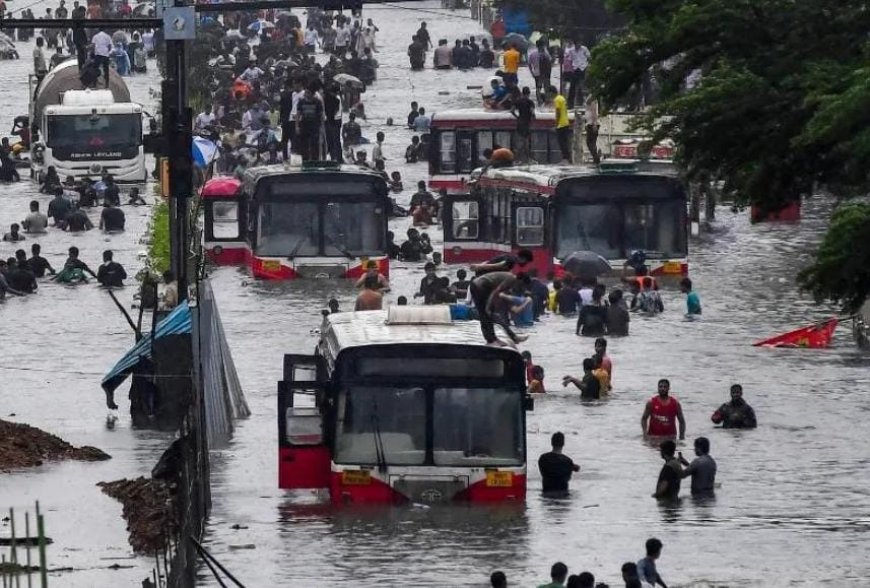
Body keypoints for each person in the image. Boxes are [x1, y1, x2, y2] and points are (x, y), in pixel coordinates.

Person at [469, 271, 528, 345]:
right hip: (479, 287)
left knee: (490, 314)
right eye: (522, 285)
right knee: (484, 315)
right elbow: (495, 291)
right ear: (520, 280)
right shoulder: (511, 279)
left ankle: (498, 338)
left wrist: (492, 306)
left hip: (485, 288)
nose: (522, 287)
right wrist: (488, 306)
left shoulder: (511, 281)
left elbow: (497, 293)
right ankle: (491, 340)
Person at [538, 432, 580, 496]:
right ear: (563, 444)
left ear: (551, 443)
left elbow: (542, 472)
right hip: (563, 494)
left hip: (547, 493)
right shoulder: (568, 461)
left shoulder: (543, 458)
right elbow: (568, 478)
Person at [296, 83, 324, 161]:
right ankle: (305, 160)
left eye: (308, 92)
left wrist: (321, 128)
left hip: (314, 125)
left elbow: (321, 115)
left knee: (315, 144)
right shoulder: (301, 102)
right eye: (305, 92)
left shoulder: (317, 102)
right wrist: (297, 126)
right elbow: (298, 115)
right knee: (303, 144)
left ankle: (315, 160)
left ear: (312, 93)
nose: (305, 94)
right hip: (304, 125)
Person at [511, 86, 535, 162]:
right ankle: (527, 158)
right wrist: (533, 118)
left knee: (520, 140)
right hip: (526, 123)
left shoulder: (518, 101)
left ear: (522, 93)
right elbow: (532, 112)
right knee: (526, 141)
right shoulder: (530, 102)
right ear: (529, 93)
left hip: (520, 122)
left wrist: (517, 117)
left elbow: (512, 110)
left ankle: (517, 158)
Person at [551, 85, 572, 162]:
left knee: (562, 142)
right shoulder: (562, 98)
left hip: (561, 124)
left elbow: (558, 112)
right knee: (565, 142)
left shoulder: (556, 100)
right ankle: (568, 158)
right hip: (566, 122)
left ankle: (565, 158)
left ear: (551, 93)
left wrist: (556, 125)